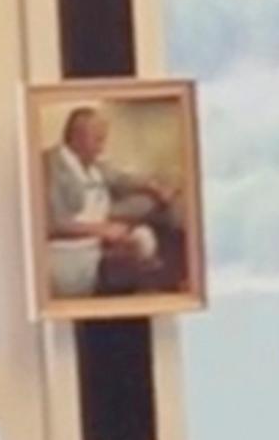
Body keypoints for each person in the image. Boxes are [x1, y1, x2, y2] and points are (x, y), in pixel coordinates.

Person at [43, 103, 182, 299]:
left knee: (152, 205)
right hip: (73, 246)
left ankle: (154, 270)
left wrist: (155, 188)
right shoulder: (50, 166)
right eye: (98, 140)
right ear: (76, 137)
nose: (102, 148)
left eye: (103, 139)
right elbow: (53, 224)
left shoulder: (92, 164)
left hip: (102, 223)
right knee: (134, 260)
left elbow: (121, 179)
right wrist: (102, 230)